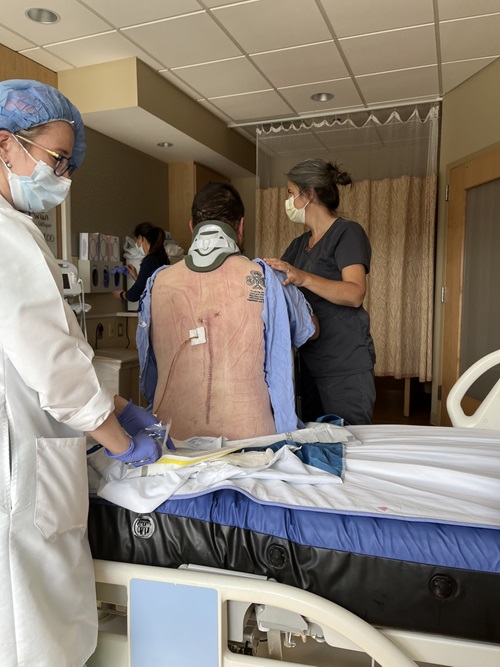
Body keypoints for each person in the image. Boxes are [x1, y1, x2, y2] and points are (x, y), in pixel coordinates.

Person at [0, 79, 163, 667]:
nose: (64, 178)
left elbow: (46, 351)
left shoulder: (17, 232)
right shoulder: (6, 235)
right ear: (4, 145)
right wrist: (117, 439)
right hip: (20, 464)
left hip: (30, 435)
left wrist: (115, 408)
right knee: (32, 626)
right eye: (57, 159)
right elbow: (51, 362)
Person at [137, 181, 319, 441]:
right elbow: (310, 331)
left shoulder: (156, 283)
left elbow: (148, 370)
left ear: (192, 227)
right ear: (241, 227)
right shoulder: (266, 277)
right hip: (251, 444)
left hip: (171, 446)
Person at [265, 158, 376, 425]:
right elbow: (281, 289)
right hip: (308, 366)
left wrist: (302, 277)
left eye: (291, 193)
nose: (289, 201)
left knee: (349, 442)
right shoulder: (299, 244)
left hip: (343, 364)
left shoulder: (347, 233)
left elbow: (354, 293)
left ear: (309, 194)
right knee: (314, 442)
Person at [112, 221, 169, 304]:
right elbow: (150, 285)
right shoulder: (162, 258)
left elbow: (135, 294)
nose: (136, 244)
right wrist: (136, 277)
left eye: (136, 241)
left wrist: (121, 294)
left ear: (140, 238)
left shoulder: (149, 261)